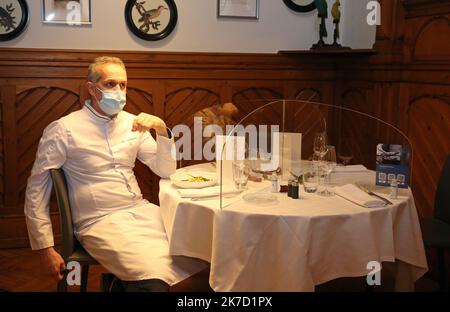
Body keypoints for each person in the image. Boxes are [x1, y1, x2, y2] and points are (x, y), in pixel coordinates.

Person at [24, 56, 205, 292]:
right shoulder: (64, 129)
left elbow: (166, 170)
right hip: (98, 222)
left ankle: (118, 285)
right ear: (91, 88)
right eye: (110, 84)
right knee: (153, 275)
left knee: (203, 248)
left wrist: (162, 131)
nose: (119, 90)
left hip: (142, 211)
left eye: (123, 84)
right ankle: (125, 285)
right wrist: (44, 249)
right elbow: (36, 189)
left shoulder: (134, 123)